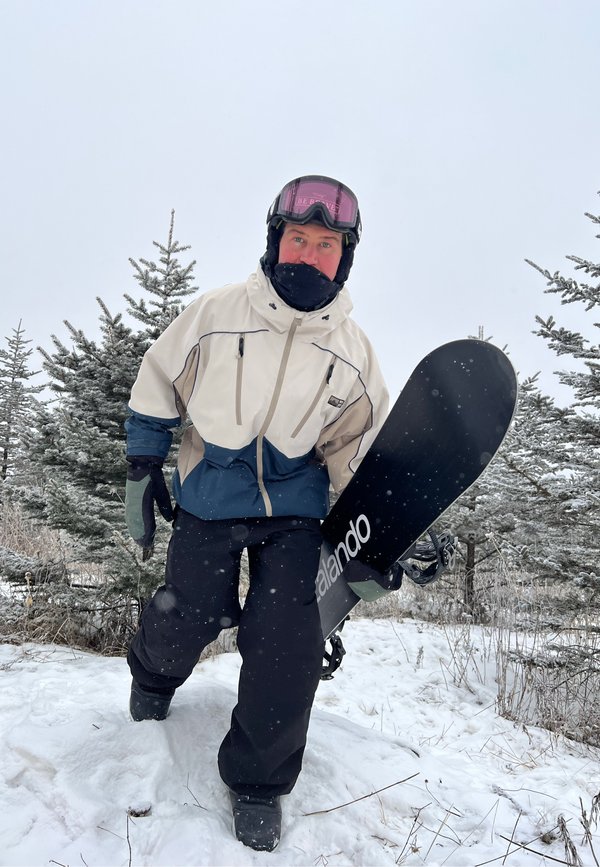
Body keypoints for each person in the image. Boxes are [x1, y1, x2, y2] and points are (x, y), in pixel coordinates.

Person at [124, 174, 389, 851]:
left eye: (325, 245)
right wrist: (142, 463)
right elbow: (160, 375)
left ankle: (259, 779)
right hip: (211, 494)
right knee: (187, 613)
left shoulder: (352, 350)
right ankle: (154, 673)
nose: (308, 254)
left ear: (344, 258)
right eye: (297, 238)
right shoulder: (217, 312)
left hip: (296, 511)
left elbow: (356, 444)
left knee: (287, 638)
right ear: (276, 241)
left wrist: (387, 523)